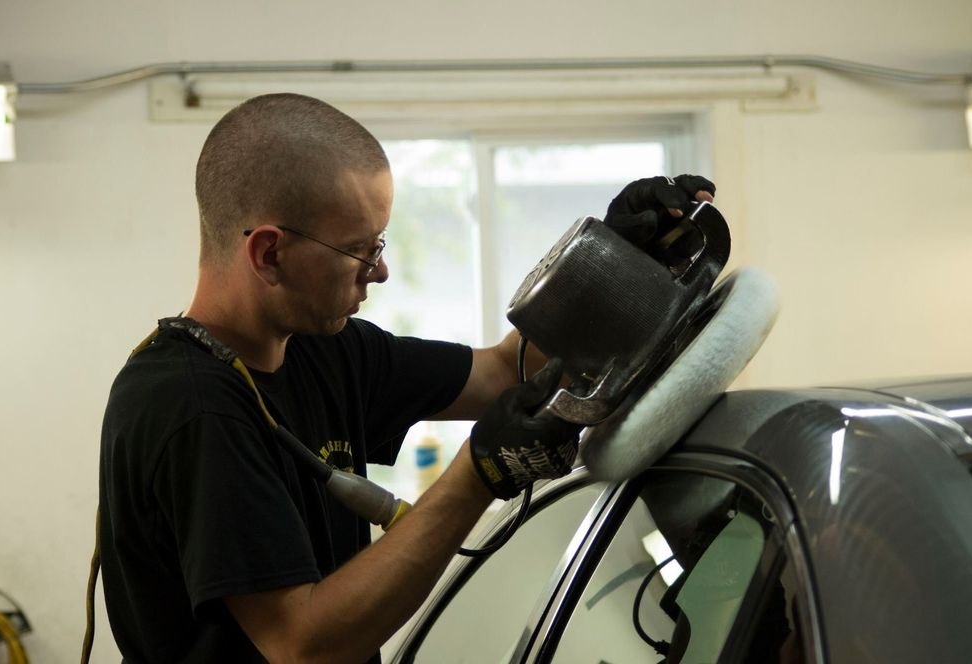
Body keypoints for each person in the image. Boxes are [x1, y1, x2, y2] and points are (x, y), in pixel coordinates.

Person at [97, 92, 715, 664]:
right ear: (269, 252)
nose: (381, 271)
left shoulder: (326, 350)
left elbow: (505, 371)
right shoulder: (191, 406)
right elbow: (301, 646)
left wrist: (614, 265)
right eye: (361, 250)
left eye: (381, 243)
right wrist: (476, 476)